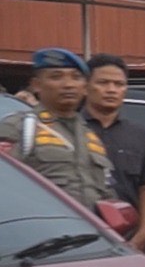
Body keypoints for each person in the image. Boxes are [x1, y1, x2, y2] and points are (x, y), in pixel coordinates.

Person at [0, 48, 114, 209]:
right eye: (56, 77)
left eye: (76, 77)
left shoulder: (91, 137)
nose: (68, 85)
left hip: (89, 231)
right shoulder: (19, 128)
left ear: (85, 87)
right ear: (36, 85)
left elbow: (105, 190)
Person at [83, 54, 145, 251]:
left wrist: (144, 231)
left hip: (128, 239)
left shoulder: (139, 135)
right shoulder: (69, 130)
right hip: (80, 237)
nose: (111, 90)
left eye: (119, 84)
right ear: (86, 85)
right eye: (103, 83)